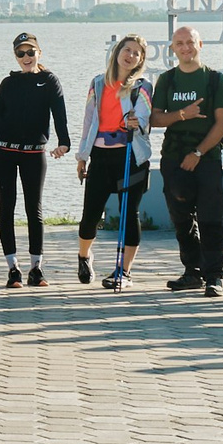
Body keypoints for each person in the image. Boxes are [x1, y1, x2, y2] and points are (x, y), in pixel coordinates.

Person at [148, 26, 223, 296]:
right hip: (173, 158)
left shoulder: (216, 80)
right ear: (173, 48)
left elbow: (221, 124)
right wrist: (182, 114)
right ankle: (192, 271)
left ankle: (214, 276)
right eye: (179, 43)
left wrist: (198, 154)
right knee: (181, 217)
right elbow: (156, 119)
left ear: (200, 44)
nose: (185, 48)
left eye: (190, 42)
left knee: (210, 218)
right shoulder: (167, 80)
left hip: (206, 157)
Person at [0, 33, 70, 286]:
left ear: (39, 53)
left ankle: (36, 268)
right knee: (6, 208)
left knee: (35, 209)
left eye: (30, 52)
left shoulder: (49, 80)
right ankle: (13, 268)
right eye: (20, 53)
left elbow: (60, 114)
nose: (26, 58)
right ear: (15, 56)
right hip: (4, 152)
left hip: (34, 153)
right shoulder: (7, 83)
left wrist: (64, 142)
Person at [74, 35, 154, 289]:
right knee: (90, 215)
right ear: (117, 52)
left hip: (131, 156)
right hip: (100, 156)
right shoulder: (98, 83)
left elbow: (144, 115)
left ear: (141, 60)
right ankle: (84, 256)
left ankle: (124, 271)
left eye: (137, 53)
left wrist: (136, 122)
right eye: (127, 50)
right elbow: (89, 120)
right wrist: (82, 156)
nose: (130, 55)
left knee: (129, 215)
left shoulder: (142, 86)